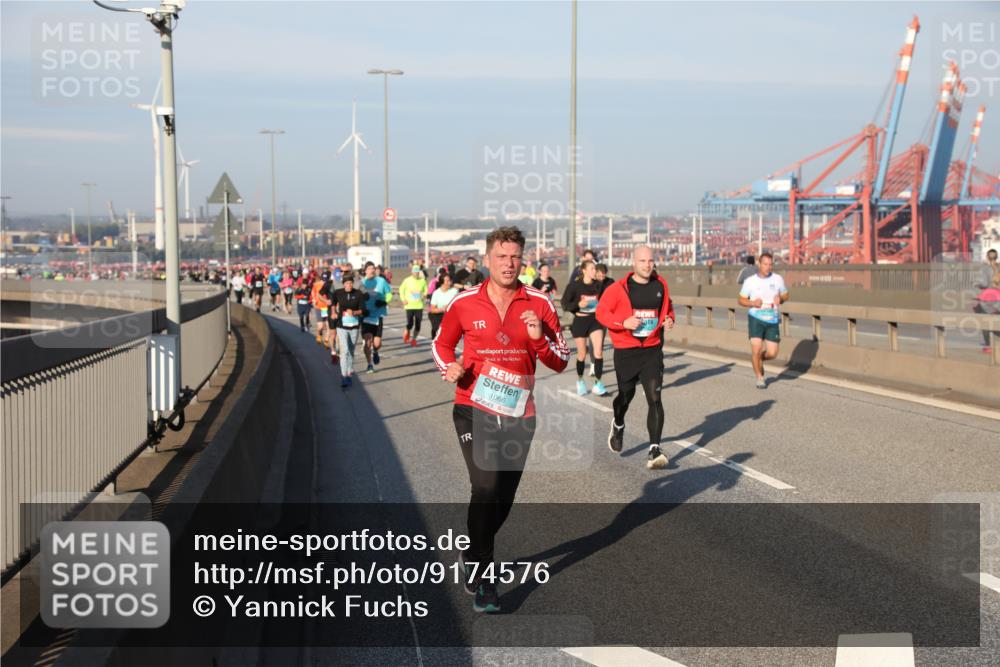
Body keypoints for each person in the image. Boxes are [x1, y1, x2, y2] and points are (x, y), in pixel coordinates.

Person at [431, 226, 569, 613]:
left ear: (522, 259)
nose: (509, 264)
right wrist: (450, 367)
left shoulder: (539, 302)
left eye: (515, 257)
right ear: (488, 258)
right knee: (486, 487)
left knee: (503, 499)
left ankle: (474, 553)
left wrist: (539, 338)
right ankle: (486, 580)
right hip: (473, 407)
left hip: (518, 414)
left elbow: (560, 361)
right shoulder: (464, 302)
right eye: (502, 256)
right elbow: (441, 344)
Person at [596, 245, 675, 469]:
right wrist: (623, 323)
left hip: (651, 350)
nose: (647, 265)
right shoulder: (618, 288)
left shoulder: (661, 285)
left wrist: (669, 319)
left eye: (650, 261)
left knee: (655, 398)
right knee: (625, 396)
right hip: (626, 352)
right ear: (634, 263)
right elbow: (602, 313)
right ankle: (618, 423)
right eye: (642, 261)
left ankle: (654, 449)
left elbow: (668, 308)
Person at [738, 252, 789, 388]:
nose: (768, 267)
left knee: (772, 353)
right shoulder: (750, 281)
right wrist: (752, 303)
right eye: (765, 264)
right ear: (759, 264)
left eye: (770, 264)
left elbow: (785, 294)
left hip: (772, 318)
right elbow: (741, 300)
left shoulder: (778, 279)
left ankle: (760, 358)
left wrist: (781, 299)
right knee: (756, 348)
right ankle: (760, 378)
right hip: (756, 318)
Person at [561, 260, 609, 396]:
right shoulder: (574, 286)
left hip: (595, 320)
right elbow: (565, 304)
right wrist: (578, 305)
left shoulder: (599, 285)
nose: (595, 272)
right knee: (582, 354)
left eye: (596, 269)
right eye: (593, 269)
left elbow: (608, 296)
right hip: (580, 321)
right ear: (584, 271)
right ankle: (580, 381)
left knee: (598, 352)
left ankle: (598, 384)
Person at [332, 273, 366, 386]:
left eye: (351, 283)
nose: (349, 285)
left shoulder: (358, 294)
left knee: (351, 350)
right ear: (343, 284)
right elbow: (333, 303)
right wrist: (333, 312)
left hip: (354, 326)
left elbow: (363, 310)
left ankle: (350, 370)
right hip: (341, 325)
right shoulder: (338, 293)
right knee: (344, 350)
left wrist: (355, 312)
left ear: (353, 283)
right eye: (346, 283)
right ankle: (344, 375)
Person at [360, 261, 393, 373]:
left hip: (378, 315)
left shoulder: (381, 281)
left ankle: (375, 351)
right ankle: (369, 364)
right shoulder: (362, 283)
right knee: (367, 341)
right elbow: (358, 298)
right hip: (366, 316)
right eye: (369, 268)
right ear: (365, 270)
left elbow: (389, 294)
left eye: (373, 268)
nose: (372, 270)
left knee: (377, 344)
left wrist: (384, 302)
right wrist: (361, 310)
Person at [974, 248, 1000, 352]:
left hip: (989, 298)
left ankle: (989, 346)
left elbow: (984, 284)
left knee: (984, 322)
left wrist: (977, 284)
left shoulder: (985, 269)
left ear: (987, 257)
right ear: (997, 257)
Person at [399, 265, 428, 346]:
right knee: (410, 323)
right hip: (409, 305)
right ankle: (407, 330)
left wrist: (424, 295)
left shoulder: (423, 281)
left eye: (417, 272)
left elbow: (426, 290)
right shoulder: (407, 280)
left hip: (419, 305)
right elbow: (401, 290)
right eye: (414, 271)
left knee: (418, 324)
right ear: (411, 272)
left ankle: (414, 339)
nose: (416, 273)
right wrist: (403, 299)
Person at [428, 273, 458, 340]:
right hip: (437, 314)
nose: (449, 282)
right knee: (439, 331)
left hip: (449, 315)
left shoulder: (454, 291)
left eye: (450, 280)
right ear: (442, 282)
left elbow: (458, 305)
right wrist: (443, 309)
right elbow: (432, 309)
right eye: (447, 281)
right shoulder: (436, 293)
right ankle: (435, 338)